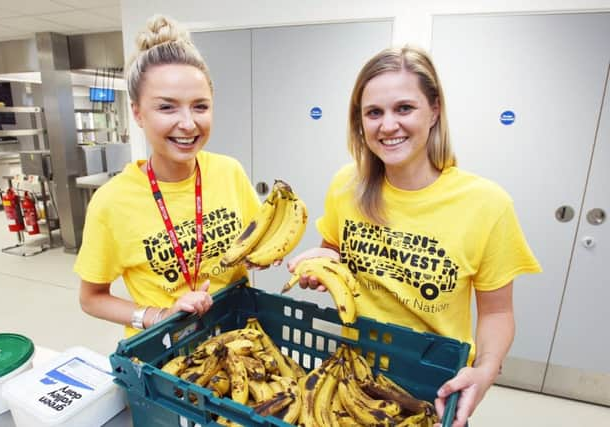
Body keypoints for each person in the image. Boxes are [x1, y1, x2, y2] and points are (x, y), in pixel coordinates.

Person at [288, 46, 541, 427]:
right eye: (374, 112)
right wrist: (321, 264)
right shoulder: (347, 185)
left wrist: (486, 371)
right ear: (360, 121)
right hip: (350, 376)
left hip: (433, 389)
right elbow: (335, 253)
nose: (388, 125)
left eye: (404, 108)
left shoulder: (486, 204)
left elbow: (497, 312)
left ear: (434, 110)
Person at [75, 15, 260, 338]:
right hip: (163, 352)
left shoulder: (229, 172)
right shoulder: (112, 201)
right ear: (137, 112)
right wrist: (156, 315)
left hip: (237, 337)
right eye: (167, 108)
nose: (188, 123)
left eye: (200, 106)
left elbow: (253, 247)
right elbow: (91, 298)